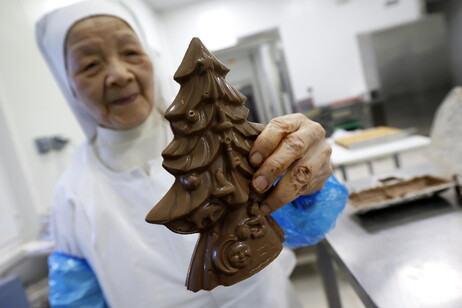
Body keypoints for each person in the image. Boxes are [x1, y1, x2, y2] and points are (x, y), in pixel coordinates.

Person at [36, 1, 334, 307]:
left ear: (149, 56)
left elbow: (307, 225)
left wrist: (308, 181)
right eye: (90, 65)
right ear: (66, 83)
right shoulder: (71, 198)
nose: (119, 74)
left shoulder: (223, 137)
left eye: (130, 52)